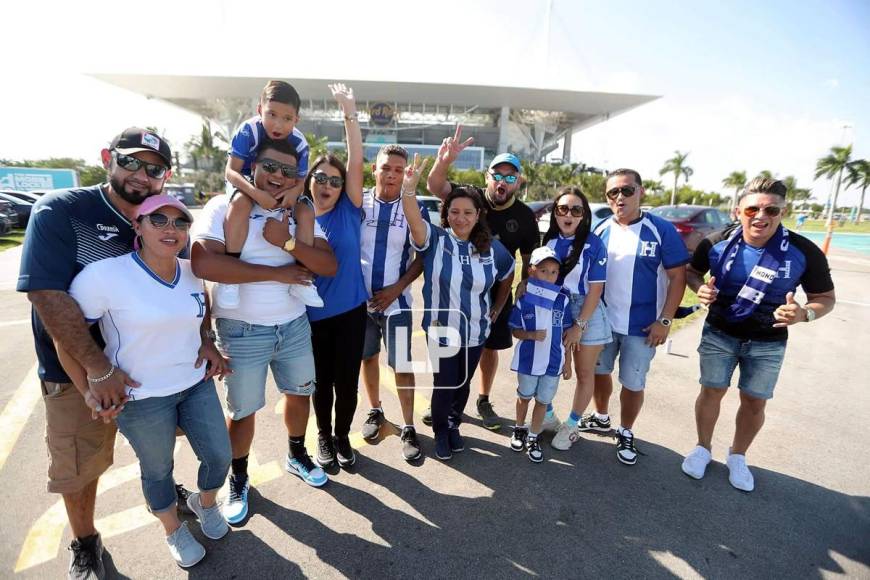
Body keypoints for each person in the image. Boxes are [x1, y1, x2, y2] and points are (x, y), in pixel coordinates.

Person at [16, 127, 192, 578]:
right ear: (106, 158)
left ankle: (166, 494)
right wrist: (97, 369)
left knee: (157, 446)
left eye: (153, 169)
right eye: (130, 161)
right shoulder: (60, 211)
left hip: (146, 367)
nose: (140, 175)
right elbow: (46, 294)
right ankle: (85, 541)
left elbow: (187, 284)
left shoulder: (161, 219)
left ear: (164, 177)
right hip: (76, 370)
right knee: (79, 467)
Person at [67, 195, 232, 567]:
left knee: (220, 454)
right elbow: (66, 335)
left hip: (195, 382)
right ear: (137, 227)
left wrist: (207, 342)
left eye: (180, 222)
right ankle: (173, 529)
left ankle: (204, 505)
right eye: (158, 220)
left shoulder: (192, 271)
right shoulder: (105, 275)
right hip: (142, 397)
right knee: (158, 469)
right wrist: (89, 387)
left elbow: (198, 316)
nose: (170, 229)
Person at [191, 138, 337, 525]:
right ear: (252, 167)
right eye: (270, 167)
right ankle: (238, 478)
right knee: (242, 411)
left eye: (288, 171)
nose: (277, 177)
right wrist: (278, 273)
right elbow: (204, 263)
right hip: (240, 330)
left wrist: (286, 242)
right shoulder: (224, 205)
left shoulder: (298, 209)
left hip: (292, 325)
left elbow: (327, 264)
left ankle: (296, 453)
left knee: (299, 394)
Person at [682, 178, 835, 491]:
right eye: (752, 208)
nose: (760, 215)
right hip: (719, 333)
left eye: (771, 209)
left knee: (754, 402)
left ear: (783, 212)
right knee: (711, 391)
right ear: (739, 211)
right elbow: (692, 272)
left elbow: (826, 298)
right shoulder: (715, 243)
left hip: (768, 342)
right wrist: (700, 290)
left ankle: (738, 456)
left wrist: (804, 313)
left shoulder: (803, 251)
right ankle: (702, 447)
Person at [427, 126, 539, 430]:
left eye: (510, 177)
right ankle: (443, 399)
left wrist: (514, 295)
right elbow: (436, 184)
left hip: (494, 295)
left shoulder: (526, 217)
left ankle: (483, 398)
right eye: (497, 175)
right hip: (457, 290)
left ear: (518, 182)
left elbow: (528, 263)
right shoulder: (471, 197)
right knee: (447, 344)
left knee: (488, 349)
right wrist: (445, 160)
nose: (502, 182)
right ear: (487, 176)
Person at [403, 156, 515, 460]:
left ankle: (454, 424)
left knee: (463, 384)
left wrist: (498, 306)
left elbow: (508, 275)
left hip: (477, 330)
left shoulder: (494, 249)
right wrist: (408, 190)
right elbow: (414, 218)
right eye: (454, 211)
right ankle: (441, 431)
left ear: (478, 214)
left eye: (467, 212)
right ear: (446, 213)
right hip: (442, 332)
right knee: (444, 385)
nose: (461, 218)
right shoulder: (435, 241)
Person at [585, 169, 689, 465]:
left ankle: (626, 430)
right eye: (612, 193)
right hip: (603, 323)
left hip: (642, 327)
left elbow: (677, 278)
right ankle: (601, 417)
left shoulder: (661, 230)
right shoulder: (601, 230)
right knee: (599, 373)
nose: (619, 197)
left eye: (626, 190)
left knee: (632, 383)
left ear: (640, 192)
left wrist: (665, 320)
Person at [302, 84, 368, 469]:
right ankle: (323, 437)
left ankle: (343, 436)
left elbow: (356, 160)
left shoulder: (348, 210)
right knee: (319, 385)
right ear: (310, 179)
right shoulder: (298, 215)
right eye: (321, 178)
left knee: (347, 383)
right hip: (310, 317)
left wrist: (349, 113)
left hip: (350, 312)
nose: (327, 185)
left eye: (335, 180)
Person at [217, 80, 321, 309]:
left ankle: (302, 280)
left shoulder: (300, 143)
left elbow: (302, 180)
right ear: (259, 110)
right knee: (241, 205)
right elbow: (231, 171)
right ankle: (229, 280)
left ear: (296, 120)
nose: (278, 124)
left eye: (287, 118)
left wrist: (293, 192)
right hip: (247, 181)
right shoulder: (248, 131)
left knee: (305, 210)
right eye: (271, 114)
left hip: (281, 184)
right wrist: (255, 194)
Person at [358, 144, 427, 462]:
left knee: (401, 366)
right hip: (361, 304)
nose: (392, 175)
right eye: (386, 168)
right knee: (367, 358)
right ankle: (375, 411)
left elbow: (422, 256)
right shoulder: (359, 203)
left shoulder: (414, 206)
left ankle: (410, 426)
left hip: (397, 304)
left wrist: (396, 288)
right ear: (375, 169)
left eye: (399, 170)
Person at [535, 187, 612, 452]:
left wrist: (579, 325)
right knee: (548, 364)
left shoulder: (594, 243)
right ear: (555, 213)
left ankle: (572, 424)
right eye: (563, 209)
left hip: (586, 308)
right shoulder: (550, 242)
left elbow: (596, 289)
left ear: (584, 215)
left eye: (576, 210)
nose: (569, 215)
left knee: (583, 372)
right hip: (555, 305)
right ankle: (547, 416)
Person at [508, 247, 573, 463]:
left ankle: (533, 436)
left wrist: (568, 362)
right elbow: (515, 330)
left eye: (554, 272)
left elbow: (566, 334)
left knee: (543, 401)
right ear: (532, 271)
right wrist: (531, 334)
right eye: (544, 271)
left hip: (553, 363)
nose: (549, 276)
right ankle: (519, 429)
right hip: (528, 362)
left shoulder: (562, 300)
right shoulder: (523, 299)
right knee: (524, 397)